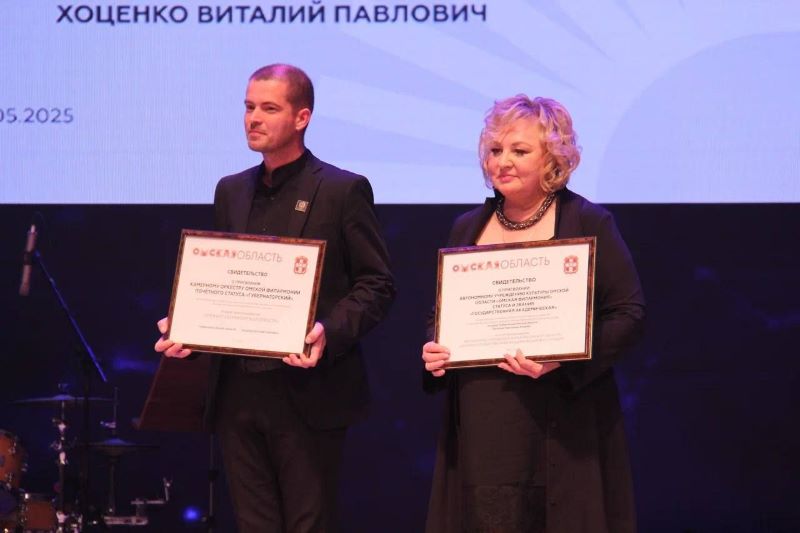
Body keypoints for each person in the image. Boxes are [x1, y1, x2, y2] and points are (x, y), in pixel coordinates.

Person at [154, 64, 395, 532]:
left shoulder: (342, 189)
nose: (253, 119)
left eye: (269, 108)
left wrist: (327, 331)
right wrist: (187, 326)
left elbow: (377, 284)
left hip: (308, 389)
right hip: (237, 392)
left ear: (302, 117)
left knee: (309, 523)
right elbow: (222, 280)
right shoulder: (231, 189)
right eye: (249, 107)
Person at [421, 95, 645, 532]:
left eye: (519, 151)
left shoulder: (588, 222)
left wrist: (565, 359)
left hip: (560, 418)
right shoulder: (467, 226)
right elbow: (442, 314)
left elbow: (628, 313)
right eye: (494, 149)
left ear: (553, 158)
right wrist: (435, 348)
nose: (501, 161)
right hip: (483, 419)